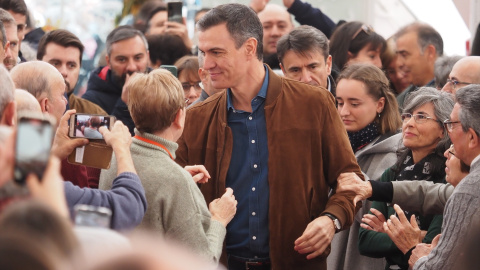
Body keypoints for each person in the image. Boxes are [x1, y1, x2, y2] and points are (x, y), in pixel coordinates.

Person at [175, 4, 363, 269]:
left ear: (250, 48)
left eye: (216, 52)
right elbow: (172, 200)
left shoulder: (314, 103)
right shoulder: (195, 118)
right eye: (203, 52)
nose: (206, 64)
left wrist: (331, 220)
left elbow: (352, 182)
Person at [99, 69, 237, 264]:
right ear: (179, 117)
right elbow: (201, 263)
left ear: (133, 112)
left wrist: (177, 174)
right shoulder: (175, 180)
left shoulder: (116, 155)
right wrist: (219, 219)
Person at [358, 87, 453, 270]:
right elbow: (365, 241)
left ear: (443, 130)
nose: (409, 123)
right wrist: (410, 237)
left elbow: (432, 244)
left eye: (421, 117)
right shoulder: (393, 173)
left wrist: (387, 229)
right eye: (407, 115)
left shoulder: (447, 178)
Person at [329, 63, 402, 270]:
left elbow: (371, 217)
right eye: (339, 102)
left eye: (354, 103)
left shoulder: (394, 155)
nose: (344, 111)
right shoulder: (337, 143)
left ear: (380, 104)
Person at [82, 25, 149, 134]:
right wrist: (125, 105)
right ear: (108, 61)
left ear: (148, 56)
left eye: (138, 58)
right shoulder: (90, 102)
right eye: (122, 60)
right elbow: (100, 146)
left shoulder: (161, 88)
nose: (131, 67)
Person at [37, 29, 107, 115]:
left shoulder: (94, 114)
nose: (63, 72)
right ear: (37, 63)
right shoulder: (20, 105)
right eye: (55, 63)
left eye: (71, 65)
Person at [394, 23, 443, 109]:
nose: (398, 63)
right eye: (397, 55)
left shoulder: (451, 95)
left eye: (404, 55)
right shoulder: (401, 100)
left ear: (430, 52)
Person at [276, 25, 334, 93]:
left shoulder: (348, 94)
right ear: (284, 72)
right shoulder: (272, 101)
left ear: (328, 65)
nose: (306, 79)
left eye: (313, 67)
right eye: (295, 70)